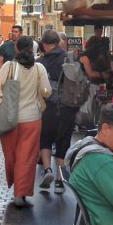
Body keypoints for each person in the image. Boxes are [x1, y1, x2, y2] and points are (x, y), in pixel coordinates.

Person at [0, 36, 50, 208]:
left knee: (10, 155)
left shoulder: (9, 66)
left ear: (16, 49)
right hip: (32, 118)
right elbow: (46, 92)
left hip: (9, 118)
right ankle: (20, 193)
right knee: (26, 157)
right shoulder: (39, 67)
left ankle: (14, 183)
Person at [37, 30, 75, 194]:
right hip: (67, 107)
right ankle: (60, 181)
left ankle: (47, 170)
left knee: (45, 138)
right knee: (63, 141)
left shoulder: (40, 62)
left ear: (44, 44)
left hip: (47, 107)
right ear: (58, 42)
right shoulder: (69, 58)